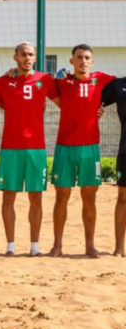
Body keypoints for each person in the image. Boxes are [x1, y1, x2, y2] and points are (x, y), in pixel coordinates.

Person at [0, 42, 59, 256]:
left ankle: (35, 247)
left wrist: (96, 110)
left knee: (36, 197)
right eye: (23, 54)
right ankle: (10, 246)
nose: (27, 58)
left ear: (35, 58)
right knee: (9, 196)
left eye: (31, 54)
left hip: (36, 149)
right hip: (10, 148)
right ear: (15, 57)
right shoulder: (3, 82)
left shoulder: (45, 80)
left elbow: (68, 103)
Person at [50, 44, 115, 258]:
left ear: (92, 61)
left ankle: (90, 245)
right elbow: (38, 80)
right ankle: (57, 246)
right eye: (79, 57)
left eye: (87, 57)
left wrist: (102, 106)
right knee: (61, 197)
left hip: (90, 148)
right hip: (64, 147)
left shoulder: (101, 79)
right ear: (71, 61)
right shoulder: (61, 80)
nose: (83, 61)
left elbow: (119, 86)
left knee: (89, 198)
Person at [102, 72, 126, 257]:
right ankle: (119, 248)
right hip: (125, 150)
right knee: (123, 198)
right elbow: (91, 96)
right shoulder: (118, 85)